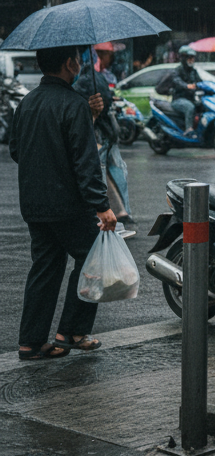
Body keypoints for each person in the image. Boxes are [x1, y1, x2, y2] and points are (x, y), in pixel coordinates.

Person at [10, 45, 117, 360]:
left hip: (34, 205)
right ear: (69, 63)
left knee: (45, 267)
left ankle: (30, 342)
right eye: (80, 60)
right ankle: (71, 330)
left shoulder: (26, 103)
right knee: (92, 259)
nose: (82, 64)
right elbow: (85, 163)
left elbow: (18, 151)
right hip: (68, 205)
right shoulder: (73, 104)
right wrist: (102, 206)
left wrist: (91, 117)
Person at [74, 44, 135, 236]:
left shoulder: (84, 81)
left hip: (99, 134)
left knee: (102, 173)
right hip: (108, 133)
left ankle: (116, 213)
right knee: (115, 171)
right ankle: (123, 211)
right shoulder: (98, 77)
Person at [169, 44, 202, 136]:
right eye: (189, 57)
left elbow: (200, 82)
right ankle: (188, 129)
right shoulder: (177, 70)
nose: (192, 60)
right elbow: (177, 81)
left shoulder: (193, 71)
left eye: (193, 57)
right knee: (189, 107)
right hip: (178, 100)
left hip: (191, 98)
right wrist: (187, 86)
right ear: (183, 58)